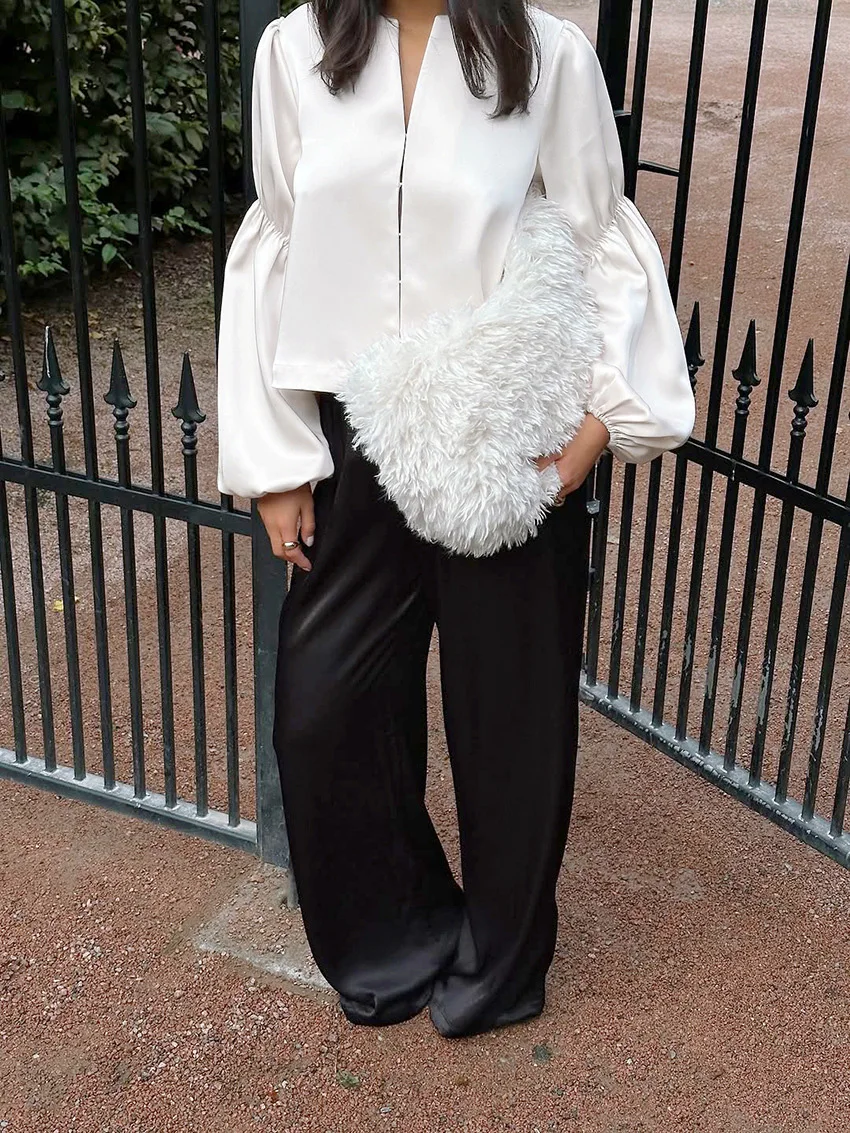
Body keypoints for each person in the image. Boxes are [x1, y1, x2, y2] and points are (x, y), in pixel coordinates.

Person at [215, 0, 695, 1038]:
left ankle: (503, 963)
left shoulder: (546, 56)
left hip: (504, 441)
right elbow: (278, 242)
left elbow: (597, 240)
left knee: (509, 716)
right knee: (324, 707)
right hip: (358, 434)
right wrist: (277, 462)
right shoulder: (295, 51)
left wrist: (588, 440)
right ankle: (397, 934)